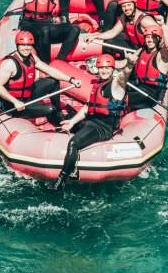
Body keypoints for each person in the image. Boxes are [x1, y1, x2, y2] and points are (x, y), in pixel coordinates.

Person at [49, 53, 126, 190]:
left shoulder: (116, 86)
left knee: (73, 143)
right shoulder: (98, 85)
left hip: (103, 128)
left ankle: (60, 181)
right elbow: (86, 108)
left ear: (112, 69)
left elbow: (124, 76)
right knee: (64, 118)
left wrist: (130, 64)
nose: (104, 71)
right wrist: (72, 122)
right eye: (101, 68)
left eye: (107, 68)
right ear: (97, 69)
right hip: (91, 122)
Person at [0, 30, 83, 122]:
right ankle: (56, 119)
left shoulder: (31, 57)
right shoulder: (9, 63)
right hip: (12, 105)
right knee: (50, 109)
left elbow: (49, 70)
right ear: (17, 45)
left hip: (27, 95)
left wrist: (71, 79)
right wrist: (15, 101)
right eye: (23, 45)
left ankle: (58, 112)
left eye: (29, 45)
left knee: (53, 82)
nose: (26, 48)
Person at [127, 20, 168, 109]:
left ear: (158, 39)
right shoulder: (142, 50)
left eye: (153, 37)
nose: (149, 40)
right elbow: (127, 62)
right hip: (139, 86)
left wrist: (163, 26)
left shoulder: (161, 55)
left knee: (124, 97)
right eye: (147, 37)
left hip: (152, 93)